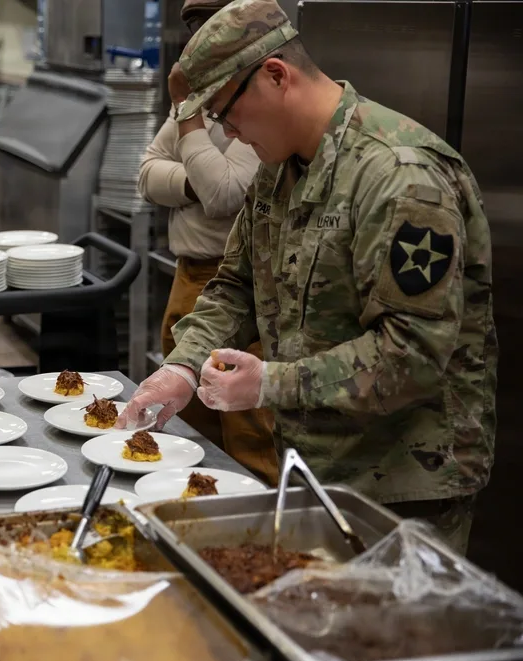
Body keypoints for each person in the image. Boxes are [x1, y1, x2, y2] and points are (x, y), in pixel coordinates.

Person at [118, 0, 496, 554]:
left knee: (384, 637)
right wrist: (181, 365)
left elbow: (412, 354)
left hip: (402, 485)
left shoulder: (399, 175)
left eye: (226, 113)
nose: (230, 134)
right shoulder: (280, 169)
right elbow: (235, 285)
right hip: (315, 463)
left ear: (275, 76)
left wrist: (269, 384)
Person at [139, 0, 273, 485]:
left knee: (248, 435)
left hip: (245, 291)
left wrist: (191, 123)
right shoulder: (205, 95)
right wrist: (195, 179)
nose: (200, 44)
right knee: (184, 423)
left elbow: (226, 194)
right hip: (190, 276)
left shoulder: (255, 96)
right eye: (195, 30)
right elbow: (147, 173)